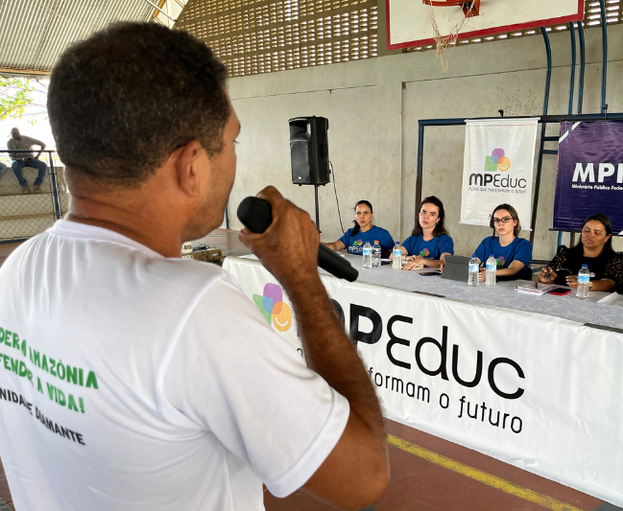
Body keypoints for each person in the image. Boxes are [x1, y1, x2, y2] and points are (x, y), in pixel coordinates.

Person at [0, 22, 388, 511]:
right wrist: (303, 281)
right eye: (231, 143)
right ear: (192, 166)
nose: (232, 161)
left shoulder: (18, 270)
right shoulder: (193, 308)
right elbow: (364, 475)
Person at [538, 213, 623, 292]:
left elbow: (609, 284)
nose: (590, 235)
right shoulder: (566, 254)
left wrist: (586, 284)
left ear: (607, 238)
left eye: (597, 233)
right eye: (586, 230)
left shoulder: (615, 259)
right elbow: (551, 276)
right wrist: (545, 279)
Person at [472, 203, 532, 282]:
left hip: (512, 288)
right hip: (488, 286)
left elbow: (512, 270)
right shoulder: (487, 242)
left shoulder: (523, 245)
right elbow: (473, 263)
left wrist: (489, 273)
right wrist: (476, 271)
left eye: (506, 219)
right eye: (496, 220)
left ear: (515, 222)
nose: (500, 223)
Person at [398, 195, 454, 271]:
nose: (426, 217)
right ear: (419, 215)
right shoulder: (413, 239)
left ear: (438, 219)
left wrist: (423, 261)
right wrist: (406, 258)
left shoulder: (445, 240)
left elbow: (445, 262)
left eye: (432, 214)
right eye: (424, 212)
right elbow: (392, 255)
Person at [323, 200, 395, 257]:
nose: (362, 217)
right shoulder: (350, 233)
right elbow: (335, 246)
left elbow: (395, 253)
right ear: (355, 215)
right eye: (358, 213)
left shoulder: (382, 233)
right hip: (353, 271)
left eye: (365, 213)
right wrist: (319, 245)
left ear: (371, 215)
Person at [7, 127, 47, 194]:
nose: (13, 135)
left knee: (43, 165)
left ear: (19, 133)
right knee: (14, 165)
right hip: (19, 161)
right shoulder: (9, 142)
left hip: (31, 159)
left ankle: (37, 184)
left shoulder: (27, 139)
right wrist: (21, 159)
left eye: (15, 133)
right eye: (12, 134)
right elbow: (12, 156)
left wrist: (37, 156)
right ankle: (24, 185)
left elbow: (43, 145)